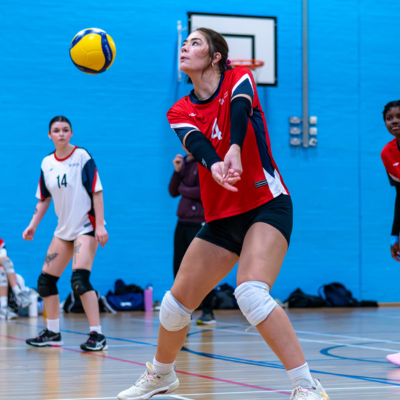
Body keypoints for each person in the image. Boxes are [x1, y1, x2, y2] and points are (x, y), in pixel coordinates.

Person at [117, 28, 329, 400]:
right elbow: (195, 142)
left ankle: (307, 385)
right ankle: (161, 375)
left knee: (250, 293)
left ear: (216, 56)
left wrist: (234, 148)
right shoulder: (179, 109)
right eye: (185, 43)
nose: (185, 47)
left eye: (195, 42)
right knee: (174, 305)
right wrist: (214, 164)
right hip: (221, 218)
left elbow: (240, 108)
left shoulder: (239, 77)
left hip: (267, 204)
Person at [23, 116, 109, 351]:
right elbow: (44, 198)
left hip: (86, 227)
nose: (61, 134)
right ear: (49, 135)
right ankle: (52, 333)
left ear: (71, 133)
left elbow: (97, 191)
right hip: (63, 230)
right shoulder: (47, 163)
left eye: (65, 130)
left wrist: (100, 225)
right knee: (45, 282)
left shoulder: (82, 157)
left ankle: (97, 335)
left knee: (79, 281)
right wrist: (32, 225)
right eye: (56, 130)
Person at [169, 148, 216, 324]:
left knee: (202, 268)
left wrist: (183, 188)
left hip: (199, 223)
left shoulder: (204, 163)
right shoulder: (184, 164)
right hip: (182, 222)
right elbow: (173, 191)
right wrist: (177, 171)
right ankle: (182, 311)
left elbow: (202, 192)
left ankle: (208, 311)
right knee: (179, 266)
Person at [381, 100, 400, 367]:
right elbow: (399, 195)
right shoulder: (388, 153)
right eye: (389, 118)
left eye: (398, 116)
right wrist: (395, 235)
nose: (394, 121)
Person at [0, 238, 32, 319]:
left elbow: (3, 256)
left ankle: (4, 307)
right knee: (5, 261)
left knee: (2, 268)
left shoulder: (0, 241)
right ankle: (19, 294)